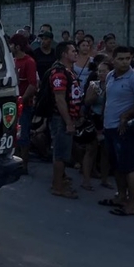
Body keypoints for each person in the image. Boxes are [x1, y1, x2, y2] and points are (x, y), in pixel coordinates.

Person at [101, 46, 134, 216]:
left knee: (129, 167)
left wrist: (126, 115)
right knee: (117, 166)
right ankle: (121, 196)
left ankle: (132, 205)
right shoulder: (110, 75)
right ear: (113, 60)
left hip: (126, 130)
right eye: (121, 59)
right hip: (110, 127)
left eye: (128, 59)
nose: (124, 62)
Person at [48, 41, 83, 199]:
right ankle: (57, 187)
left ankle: (61, 179)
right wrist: (68, 122)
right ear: (64, 54)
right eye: (73, 51)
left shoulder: (70, 71)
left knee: (63, 152)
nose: (76, 53)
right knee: (60, 154)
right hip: (61, 119)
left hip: (68, 118)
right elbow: (60, 99)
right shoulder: (59, 72)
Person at [81, 59, 114, 190]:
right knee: (91, 150)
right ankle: (86, 180)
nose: (101, 74)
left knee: (106, 152)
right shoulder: (94, 85)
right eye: (99, 71)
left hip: (108, 121)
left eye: (104, 71)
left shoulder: (114, 85)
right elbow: (87, 102)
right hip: (94, 120)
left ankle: (104, 179)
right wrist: (94, 95)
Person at [9, 34, 37, 175]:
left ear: (17, 46)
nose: (10, 47)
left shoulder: (29, 62)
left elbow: (33, 84)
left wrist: (22, 99)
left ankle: (24, 165)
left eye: (12, 45)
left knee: (23, 135)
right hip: (12, 104)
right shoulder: (12, 61)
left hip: (24, 105)